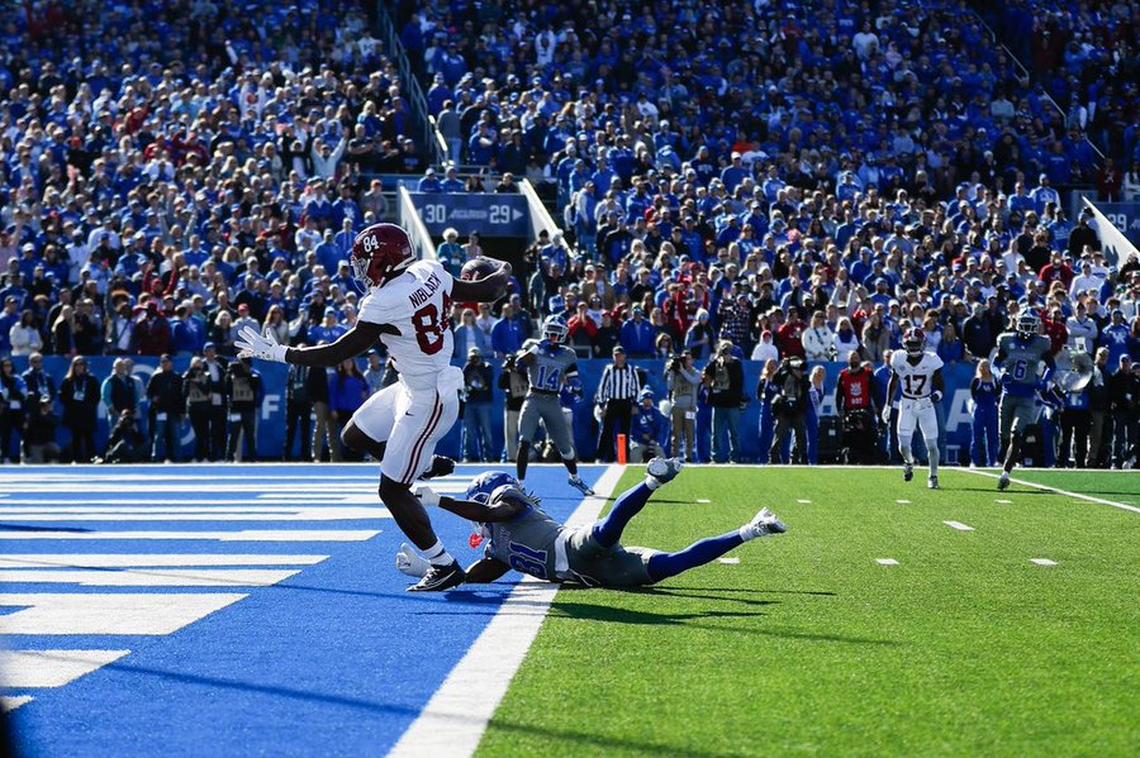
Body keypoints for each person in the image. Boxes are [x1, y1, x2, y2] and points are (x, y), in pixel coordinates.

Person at [236, 222, 511, 592]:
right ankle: (423, 463)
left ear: (384, 259)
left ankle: (442, 564)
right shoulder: (432, 270)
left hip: (429, 397)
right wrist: (503, 266)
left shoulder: (384, 301)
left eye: (367, 262)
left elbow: (338, 353)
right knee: (354, 435)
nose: (363, 271)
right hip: (413, 385)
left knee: (391, 490)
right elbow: (490, 288)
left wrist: (280, 352)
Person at [399, 460, 786, 589]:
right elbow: (476, 577)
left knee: (605, 532)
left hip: (571, 547)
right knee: (671, 565)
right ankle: (752, 529)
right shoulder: (495, 550)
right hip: (594, 577)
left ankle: (653, 480)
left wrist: (439, 501)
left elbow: (491, 514)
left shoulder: (509, 505)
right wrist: (430, 567)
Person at [512, 316, 593, 494]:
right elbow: (519, 365)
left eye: (558, 333)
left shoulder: (568, 354)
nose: (554, 337)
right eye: (551, 333)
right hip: (533, 397)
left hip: (553, 400)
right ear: (545, 331)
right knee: (524, 440)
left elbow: (573, 378)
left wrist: (577, 387)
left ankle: (575, 478)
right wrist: (537, 347)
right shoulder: (535, 348)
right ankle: (520, 484)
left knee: (565, 447)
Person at [993, 312, 1055, 488]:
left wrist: (1044, 380)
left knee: (1016, 433)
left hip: (1026, 395)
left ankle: (1006, 473)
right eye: (1025, 324)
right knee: (1004, 436)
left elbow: (1052, 366)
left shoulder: (1041, 344)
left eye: (1031, 325)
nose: (1028, 329)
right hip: (1008, 393)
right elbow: (995, 363)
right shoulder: (1006, 340)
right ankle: (1005, 461)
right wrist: (999, 374)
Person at [883, 328, 946, 488]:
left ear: (923, 343)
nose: (913, 347)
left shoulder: (932, 359)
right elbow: (894, 381)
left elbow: (940, 388)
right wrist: (888, 405)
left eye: (916, 343)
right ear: (905, 344)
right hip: (907, 403)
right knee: (903, 445)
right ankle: (909, 462)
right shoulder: (898, 358)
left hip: (926, 404)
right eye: (910, 344)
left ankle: (933, 476)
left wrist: (931, 399)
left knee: (932, 444)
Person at [594, 345, 641, 462]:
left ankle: (624, 458)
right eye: (615, 355)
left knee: (625, 431)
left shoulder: (631, 370)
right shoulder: (609, 370)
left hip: (626, 402)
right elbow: (603, 387)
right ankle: (601, 457)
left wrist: (635, 404)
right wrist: (602, 405)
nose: (618, 358)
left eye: (620, 355)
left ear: (624, 356)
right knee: (606, 430)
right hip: (612, 402)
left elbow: (636, 388)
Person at [703, 339, 744, 463]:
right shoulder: (715, 363)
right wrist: (716, 360)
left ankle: (735, 457)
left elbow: (739, 381)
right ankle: (716, 457)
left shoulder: (736, 363)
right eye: (723, 348)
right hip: (718, 402)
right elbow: (706, 377)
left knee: (734, 432)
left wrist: (729, 363)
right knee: (717, 433)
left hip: (732, 402)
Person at [835, 352, 877, 464]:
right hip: (850, 410)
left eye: (856, 357)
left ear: (860, 359)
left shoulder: (868, 374)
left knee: (868, 437)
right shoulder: (843, 375)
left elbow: (874, 392)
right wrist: (839, 409)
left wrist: (877, 408)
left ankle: (868, 461)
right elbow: (839, 395)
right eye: (852, 358)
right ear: (848, 360)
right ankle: (851, 460)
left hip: (865, 410)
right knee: (851, 438)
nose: (854, 360)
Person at [769, 356, 809, 464]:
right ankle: (774, 456)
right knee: (780, 433)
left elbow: (807, 386)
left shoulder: (804, 377)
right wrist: (782, 367)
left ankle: (802, 457)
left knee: (801, 434)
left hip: (798, 409)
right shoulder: (784, 375)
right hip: (784, 408)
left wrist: (798, 376)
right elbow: (775, 380)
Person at [60, 356, 99, 462]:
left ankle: (92, 458)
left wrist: (88, 405)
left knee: (88, 437)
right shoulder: (68, 380)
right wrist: (72, 403)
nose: (79, 367)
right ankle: (77, 459)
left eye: (81, 364)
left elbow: (96, 396)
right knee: (76, 437)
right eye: (77, 364)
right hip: (74, 413)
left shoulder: (91, 379)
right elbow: (62, 397)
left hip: (87, 413)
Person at [330, 357, 369, 461]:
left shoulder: (359, 376)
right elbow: (333, 394)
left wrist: (366, 394)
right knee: (346, 435)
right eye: (345, 362)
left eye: (349, 361)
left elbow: (367, 389)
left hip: (357, 411)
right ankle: (347, 457)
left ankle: (359, 457)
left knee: (359, 434)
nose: (347, 364)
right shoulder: (338, 377)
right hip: (343, 411)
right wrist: (333, 409)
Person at [147, 354, 184, 462]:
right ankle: (155, 457)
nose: (165, 364)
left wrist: (182, 412)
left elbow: (182, 396)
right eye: (163, 362)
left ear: (171, 363)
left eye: (167, 362)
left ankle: (177, 458)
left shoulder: (177, 377)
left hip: (174, 411)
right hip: (160, 411)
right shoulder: (156, 377)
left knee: (175, 436)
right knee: (159, 435)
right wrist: (154, 398)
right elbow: (149, 392)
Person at [665, 351, 700, 462]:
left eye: (689, 359)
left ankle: (688, 456)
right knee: (676, 433)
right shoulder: (676, 372)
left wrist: (683, 371)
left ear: (692, 360)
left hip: (690, 407)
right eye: (685, 359)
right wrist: (671, 372)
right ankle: (674, 456)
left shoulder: (695, 372)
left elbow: (694, 381)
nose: (687, 361)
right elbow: (670, 386)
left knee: (690, 434)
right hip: (677, 407)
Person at [225, 356, 262, 462]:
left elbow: (256, 387)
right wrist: (230, 373)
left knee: (250, 435)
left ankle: (252, 458)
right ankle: (229, 457)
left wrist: (246, 374)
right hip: (235, 409)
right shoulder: (232, 375)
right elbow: (227, 389)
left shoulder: (254, 376)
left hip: (249, 409)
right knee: (233, 434)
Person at [461, 347, 494, 463]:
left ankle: (488, 457)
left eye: (476, 357)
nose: (474, 360)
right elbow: (463, 381)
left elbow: (487, 380)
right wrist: (469, 366)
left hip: (484, 402)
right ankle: (467, 456)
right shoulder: (467, 367)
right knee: (469, 431)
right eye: (472, 358)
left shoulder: (487, 367)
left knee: (486, 431)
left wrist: (479, 367)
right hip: (470, 402)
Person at [498, 347, 530, 462]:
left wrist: (521, 369)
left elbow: (528, 380)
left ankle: (525, 456)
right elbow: (501, 384)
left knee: (526, 434)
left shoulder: (528, 371)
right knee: (510, 434)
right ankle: (511, 457)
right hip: (512, 406)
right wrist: (507, 369)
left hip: (525, 406)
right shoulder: (508, 373)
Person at [969, 360, 1001, 467]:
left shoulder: (994, 381)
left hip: (991, 410)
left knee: (992, 436)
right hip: (980, 409)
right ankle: (975, 461)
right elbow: (973, 394)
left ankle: (992, 461)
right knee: (977, 436)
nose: (985, 369)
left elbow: (998, 393)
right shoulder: (977, 381)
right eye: (983, 366)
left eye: (987, 366)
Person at [184, 357, 213, 462]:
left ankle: (206, 456)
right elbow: (184, 393)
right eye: (195, 366)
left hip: (204, 407)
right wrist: (188, 380)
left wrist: (197, 382)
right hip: (193, 407)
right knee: (198, 433)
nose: (197, 369)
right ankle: (198, 456)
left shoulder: (207, 376)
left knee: (205, 433)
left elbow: (208, 392)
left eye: (199, 365)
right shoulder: (188, 377)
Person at [0, 358, 27, 462]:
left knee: (24, 432)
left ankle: (25, 455)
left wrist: (12, 393)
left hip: (18, 410)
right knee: (6, 434)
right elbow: (3, 394)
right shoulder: (0, 379)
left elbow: (24, 394)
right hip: (5, 411)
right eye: (5, 366)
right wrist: (15, 393)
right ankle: (5, 456)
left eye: (9, 365)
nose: (8, 368)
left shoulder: (18, 379)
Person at [630, 389, 667, 462]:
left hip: (653, 441)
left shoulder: (656, 412)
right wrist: (641, 435)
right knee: (635, 451)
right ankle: (634, 470)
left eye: (650, 399)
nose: (648, 401)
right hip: (639, 441)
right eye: (646, 399)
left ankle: (663, 471)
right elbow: (632, 429)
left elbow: (659, 430)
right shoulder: (636, 411)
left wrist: (655, 440)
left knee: (659, 451)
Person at [23, 395, 60, 462]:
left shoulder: (53, 416)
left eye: (49, 404)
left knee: (55, 449)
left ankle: (51, 461)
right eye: (45, 404)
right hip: (36, 444)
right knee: (38, 463)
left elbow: (53, 423)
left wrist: (43, 415)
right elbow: (27, 433)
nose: (47, 406)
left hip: (48, 443)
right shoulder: (33, 417)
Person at [756, 359, 779, 464]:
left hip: (777, 409)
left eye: (774, 365)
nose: (772, 367)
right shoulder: (763, 380)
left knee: (777, 433)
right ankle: (763, 458)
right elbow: (758, 395)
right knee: (764, 433)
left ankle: (775, 457)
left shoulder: (779, 380)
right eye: (770, 365)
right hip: (766, 407)